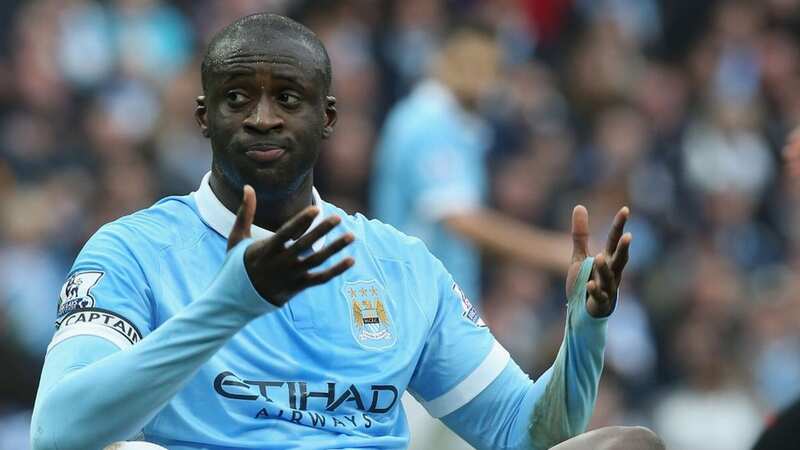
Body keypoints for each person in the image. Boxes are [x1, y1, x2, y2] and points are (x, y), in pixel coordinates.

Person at [30, 13, 660, 450]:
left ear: (327, 117)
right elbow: (58, 432)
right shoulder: (133, 251)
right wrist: (227, 307)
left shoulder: (401, 266)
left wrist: (584, 331)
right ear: (203, 117)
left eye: (288, 99)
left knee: (629, 444)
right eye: (237, 98)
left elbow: (527, 436)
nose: (263, 119)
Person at [371, 24, 572, 305]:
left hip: (442, 299)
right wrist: (552, 251)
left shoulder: (459, 125)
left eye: (489, 66)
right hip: (415, 299)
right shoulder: (427, 123)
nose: (479, 75)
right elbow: (460, 219)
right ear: (441, 59)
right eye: (468, 61)